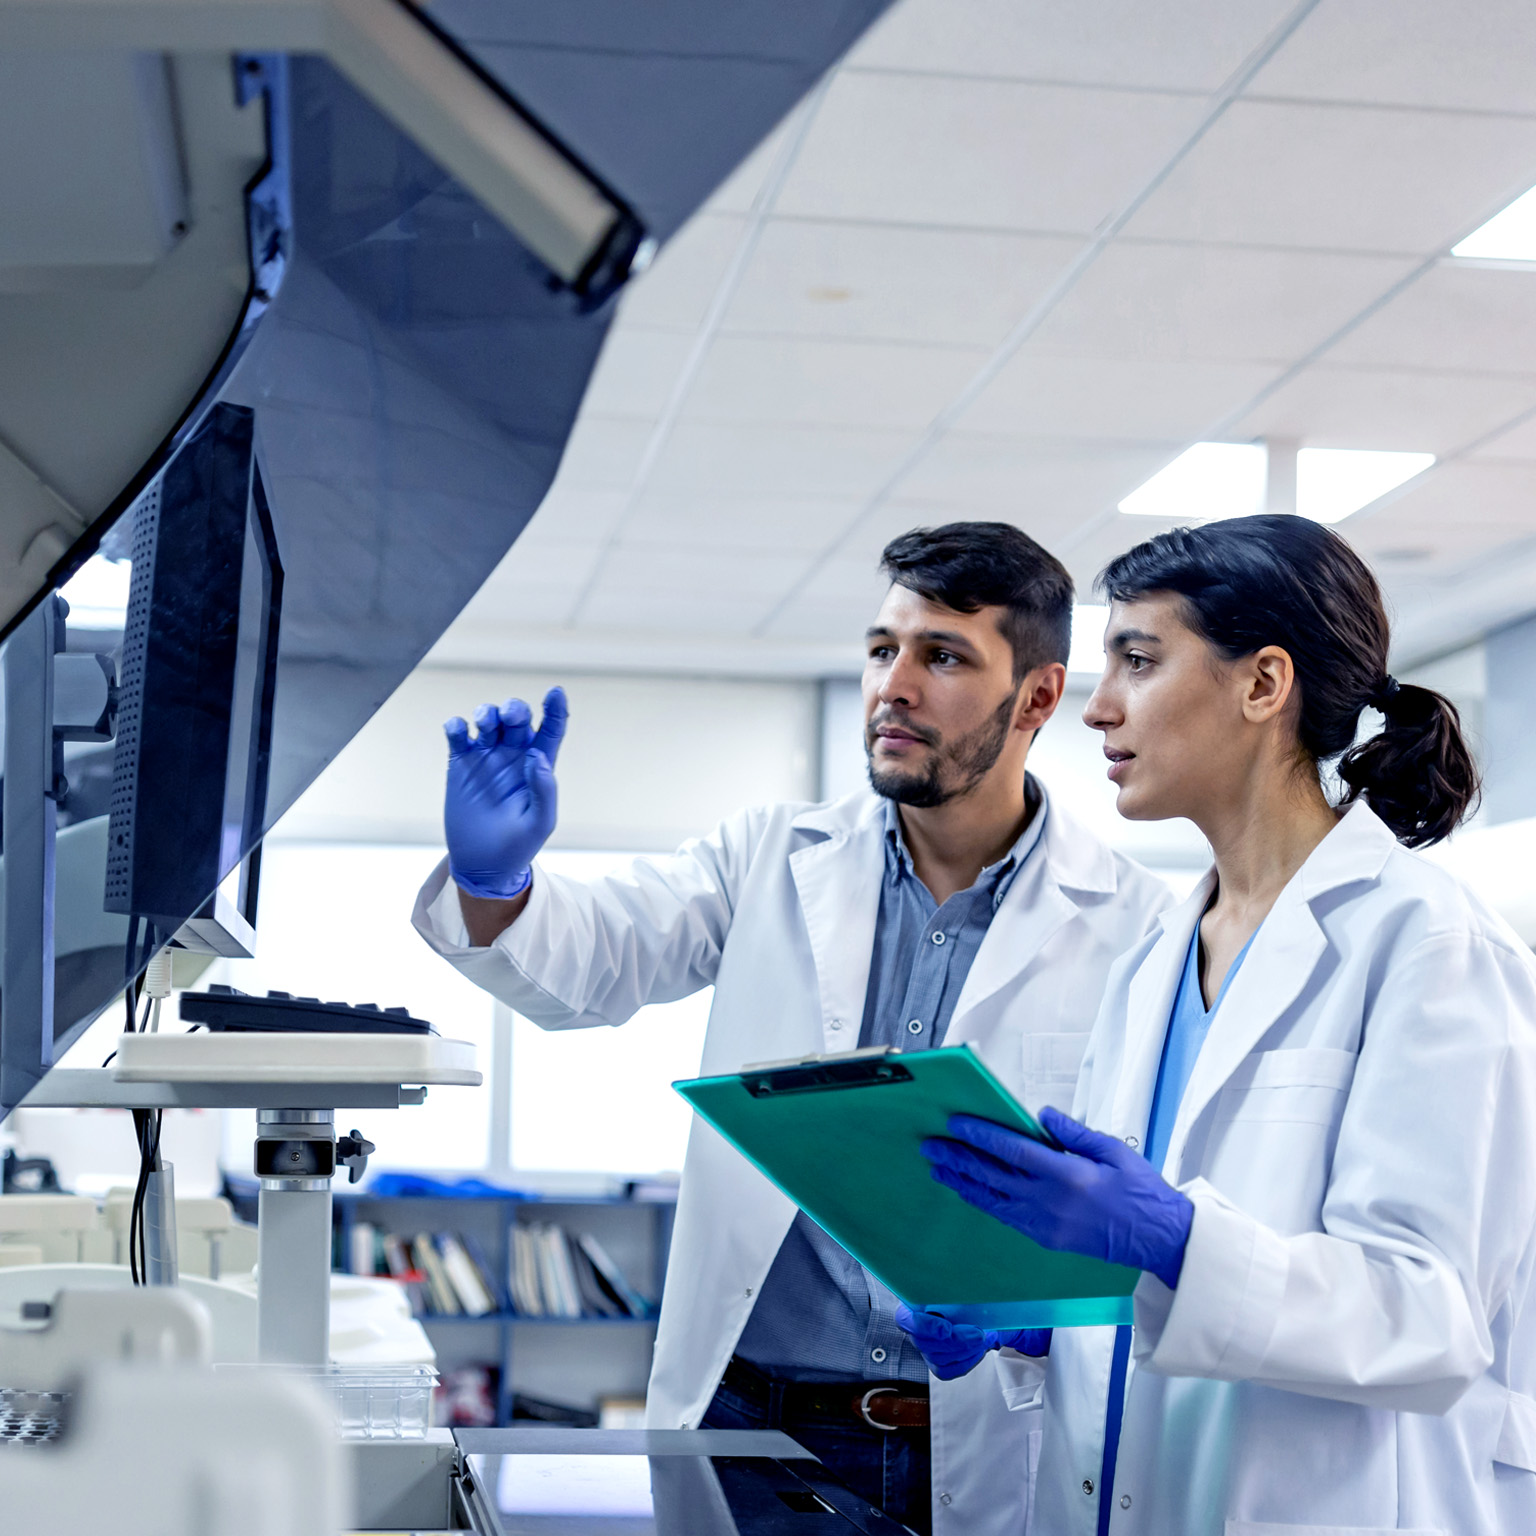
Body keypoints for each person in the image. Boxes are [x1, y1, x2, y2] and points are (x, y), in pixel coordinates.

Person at [412, 521, 1172, 1536]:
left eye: (942, 656)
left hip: (993, 1437)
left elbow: (1139, 1202)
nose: (892, 685)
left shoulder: (1135, 927)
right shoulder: (770, 857)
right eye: (880, 650)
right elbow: (600, 960)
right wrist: (495, 881)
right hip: (761, 1435)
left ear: (1037, 697)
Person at [899, 513, 1536, 1536]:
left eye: (1138, 662)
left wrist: (1174, 1236)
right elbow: (1155, 1292)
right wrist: (1043, 1317)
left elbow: (1429, 1317)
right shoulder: (1155, 953)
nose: (1097, 709)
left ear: (1263, 684)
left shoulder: (1429, 944)